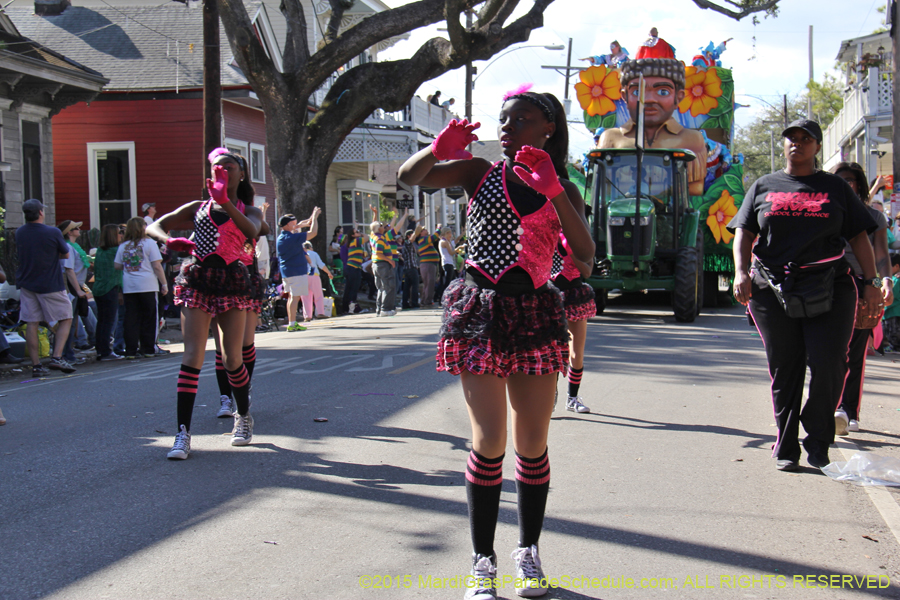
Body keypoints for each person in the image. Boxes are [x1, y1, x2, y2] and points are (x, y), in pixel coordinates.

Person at [397, 85, 594, 598]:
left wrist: (554, 191)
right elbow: (407, 177)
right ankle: (482, 559)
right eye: (503, 121)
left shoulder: (565, 190)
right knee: (489, 442)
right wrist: (437, 150)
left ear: (547, 128)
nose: (506, 129)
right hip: (479, 310)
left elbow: (587, 257)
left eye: (520, 120)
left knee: (531, 444)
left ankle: (528, 551)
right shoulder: (478, 173)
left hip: (534, 314)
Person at [728, 119, 880, 472]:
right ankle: (786, 445)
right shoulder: (764, 185)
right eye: (791, 139)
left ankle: (818, 435)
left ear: (817, 146)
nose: (796, 144)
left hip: (830, 286)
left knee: (830, 365)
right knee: (785, 368)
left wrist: (871, 283)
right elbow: (744, 233)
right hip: (773, 289)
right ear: (784, 145)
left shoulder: (835, 189)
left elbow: (860, 237)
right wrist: (740, 272)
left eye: (805, 139)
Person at [146, 148, 265, 459]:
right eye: (216, 167)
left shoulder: (250, 211)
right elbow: (153, 225)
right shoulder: (198, 207)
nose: (222, 171)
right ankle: (182, 434)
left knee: (231, 360)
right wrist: (168, 240)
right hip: (197, 280)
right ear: (209, 175)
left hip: (232, 282)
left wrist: (225, 199)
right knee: (192, 356)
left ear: (241, 174)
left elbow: (250, 232)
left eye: (229, 167)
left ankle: (243, 416)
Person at [831, 162, 893, 436]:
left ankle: (848, 411)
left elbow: (881, 256)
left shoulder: (873, 218)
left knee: (855, 353)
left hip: (862, 286)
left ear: (860, 185)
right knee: (828, 352)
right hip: (828, 285)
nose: (847, 185)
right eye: (841, 180)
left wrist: (883, 283)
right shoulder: (826, 214)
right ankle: (828, 407)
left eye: (851, 180)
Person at [597, 58, 707, 196]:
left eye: (663, 92)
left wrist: (652, 197)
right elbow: (602, 190)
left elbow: (695, 189)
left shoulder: (691, 140)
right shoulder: (611, 139)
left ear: (678, 97)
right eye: (637, 92)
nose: (648, 99)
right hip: (621, 215)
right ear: (625, 96)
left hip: (668, 215)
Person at [15, 199, 77, 376]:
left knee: (31, 322)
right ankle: (57, 357)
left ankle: (36, 366)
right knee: (66, 317)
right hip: (49, 282)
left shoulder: (20, 232)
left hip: (27, 282)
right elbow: (65, 253)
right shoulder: (53, 232)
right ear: (41, 213)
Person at [551, 227, 596, 414]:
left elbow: (588, 271)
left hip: (575, 295)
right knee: (551, 352)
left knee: (576, 352)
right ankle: (549, 396)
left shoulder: (580, 236)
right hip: (550, 297)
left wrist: (571, 250)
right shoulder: (544, 232)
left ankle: (572, 398)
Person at [115, 218, 168, 358]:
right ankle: (148, 348)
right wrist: (164, 283)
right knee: (149, 317)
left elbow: (117, 265)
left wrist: (129, 266)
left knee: (131, 317)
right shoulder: (149, 243)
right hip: (147, 284)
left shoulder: (124, 245)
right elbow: (156, 265)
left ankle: (131, 350)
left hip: (129, 286)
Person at [277, 209, 321, 332]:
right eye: (293, 223)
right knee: (295, 298)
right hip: (296, 272)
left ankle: (292, 322)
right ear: (287, 225)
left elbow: (302, 224)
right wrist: (316, 218)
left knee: (292, 297)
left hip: (287, 271)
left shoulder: (283, 237)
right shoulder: (292, 238)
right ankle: (292, 324)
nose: (295, 224)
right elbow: (313, 232)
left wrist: (310, 217)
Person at [93, 224, 125, 361]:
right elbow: (119, 273)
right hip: (110, 288)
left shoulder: (99, 250)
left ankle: (100, 349)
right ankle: (106, 351)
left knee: (102, 321)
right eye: (119, 233)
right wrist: (122, 291)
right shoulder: (116, 251)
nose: (121, 235)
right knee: (109, 321)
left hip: (99, 288)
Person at [301, 241, 333, 320]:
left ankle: (307, 316)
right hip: (314, 276)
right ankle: (320, 313)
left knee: (305, 297)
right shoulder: (314, 254)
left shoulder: (300, 254)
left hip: (303, 277)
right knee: (318, 295)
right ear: (310, 247)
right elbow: (321, 264)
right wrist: (329, 273)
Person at [340, 226, 366, 314]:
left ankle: (346, 308)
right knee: (354, 288)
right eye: (357, 232)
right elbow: (368, 237)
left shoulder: (354, 242)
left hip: (351, 267)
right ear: (353, 235)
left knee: (349, 288)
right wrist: (361, 233)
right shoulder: (356, 241)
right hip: (354, 268)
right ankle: (352, 307)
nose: (359, 232)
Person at [413, 224, 441, 307]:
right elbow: (435, 236)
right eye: (424, 229)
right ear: (421, 233)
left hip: (427, 264)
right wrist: (438, 228)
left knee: (427, 283)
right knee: (430, 283)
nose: (426, 230)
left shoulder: (422, 240)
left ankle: (425, 301)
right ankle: (427, 301)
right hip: (428, 264)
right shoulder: (424, 239)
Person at [400, 229, 421, 309]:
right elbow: (411, 240)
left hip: (407, 268)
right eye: (412, 235)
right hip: (411, 267)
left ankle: (405, 303)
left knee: (407, 287)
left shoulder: (406, 245)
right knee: (415, 286)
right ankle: (414, 303)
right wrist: (416, 231)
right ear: (408, 236)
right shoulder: (407, 243)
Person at [437, 226, 458, 298]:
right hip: (447, 263)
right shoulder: (444, 242)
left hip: (448, 263)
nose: (451, 235)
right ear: (446, 233)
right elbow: (451, 252)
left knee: (452, 282)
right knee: (448, 282)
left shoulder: (444, 241)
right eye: (450, 233)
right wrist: (458, 249)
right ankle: (442, 297)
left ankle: (447, 297)